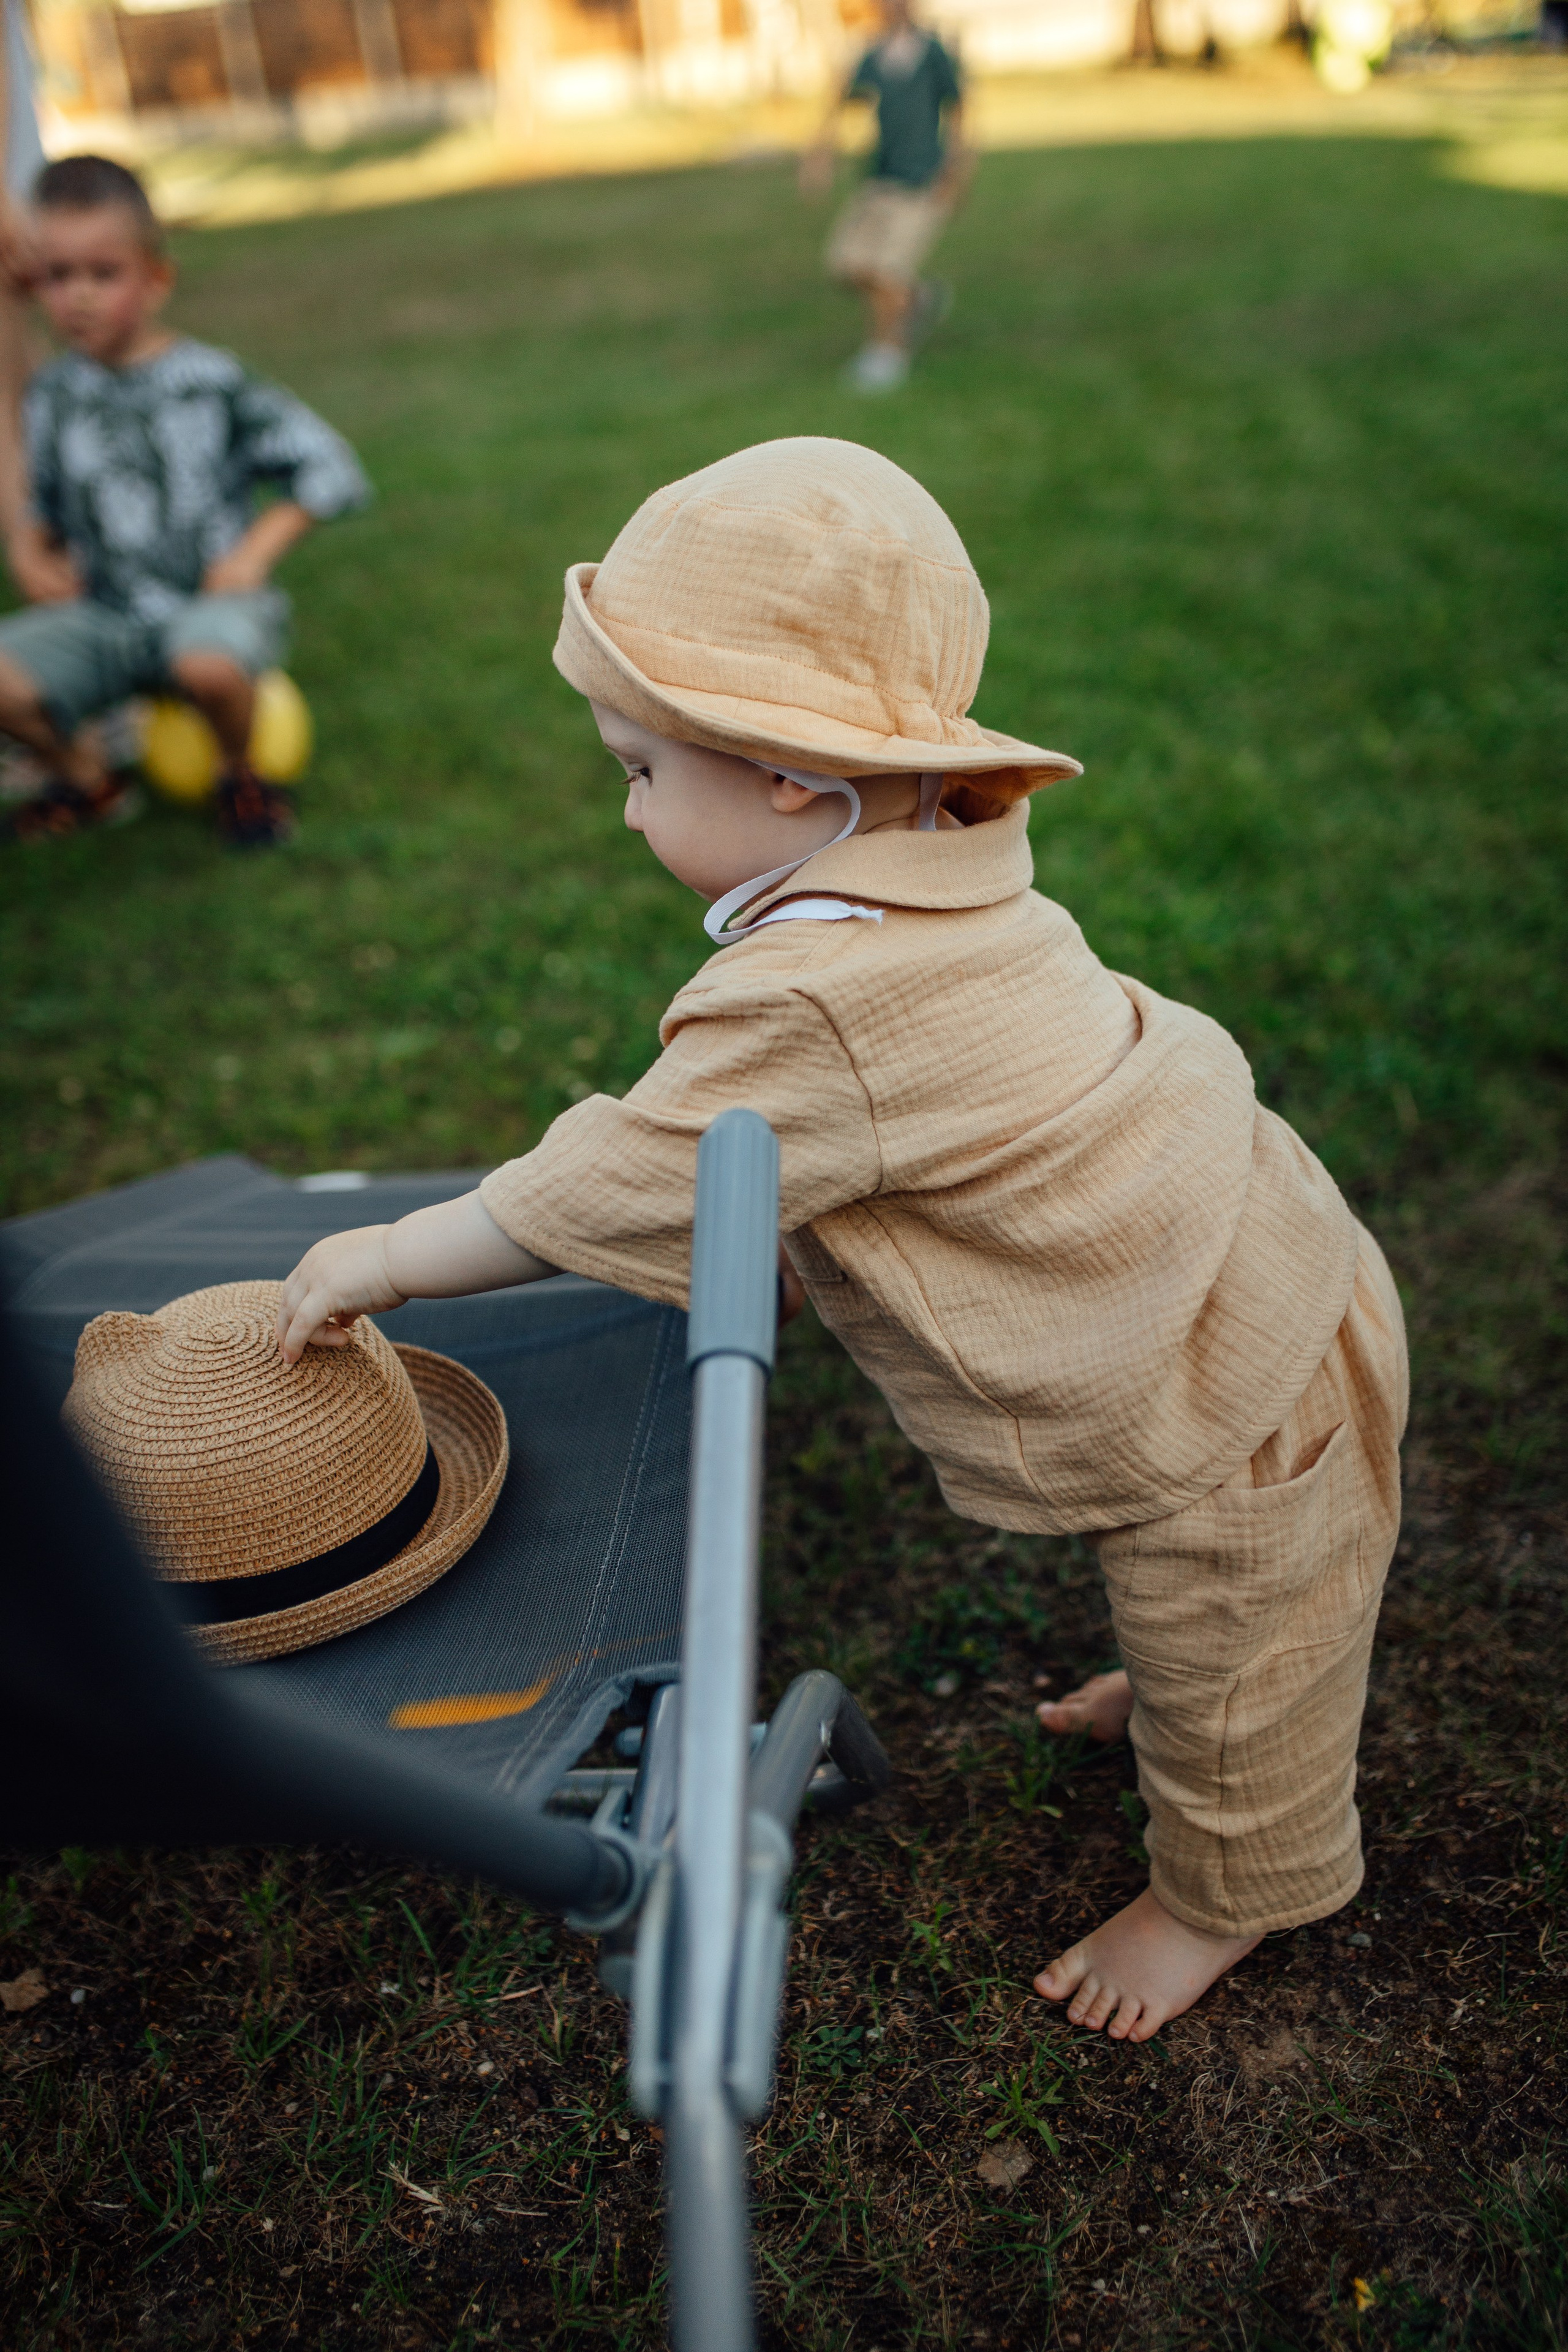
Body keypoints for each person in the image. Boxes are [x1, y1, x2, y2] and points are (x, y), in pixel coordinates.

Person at [272, 437, 1408, 2046]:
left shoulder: (808, 999)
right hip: (1240, 1251)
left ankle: (1224, 1891)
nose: (623, 812)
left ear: (794, 777)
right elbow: (898, 1135)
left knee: (1250, 1648)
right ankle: (1185, 1691)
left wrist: (384, 1260)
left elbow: (625, 1175)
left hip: (1230, 1378)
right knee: (1231, 1630)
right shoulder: (932, 851)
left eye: (641, 771)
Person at [1, 154, 369, 848]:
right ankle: (88, 780)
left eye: (102, 274)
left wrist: (253, 555)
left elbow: (330, 467)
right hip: (105, 618)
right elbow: (42, 499)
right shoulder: (54, 395)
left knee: (209, 664)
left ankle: (239, 774)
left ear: (155, 279)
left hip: (210, 607)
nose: (78, 296)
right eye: (57, 276)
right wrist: (32, 545)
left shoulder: (209, 380)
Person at [800, 0, 970, 393]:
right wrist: (819, 157)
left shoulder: (933, 54)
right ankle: (917, 297)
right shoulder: (872, 56)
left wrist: (956, 171)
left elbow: (959, 111)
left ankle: (887, 354)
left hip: (922, 182)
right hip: (880, 180)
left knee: (888, 271)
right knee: (848, 264)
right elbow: (841, 102)